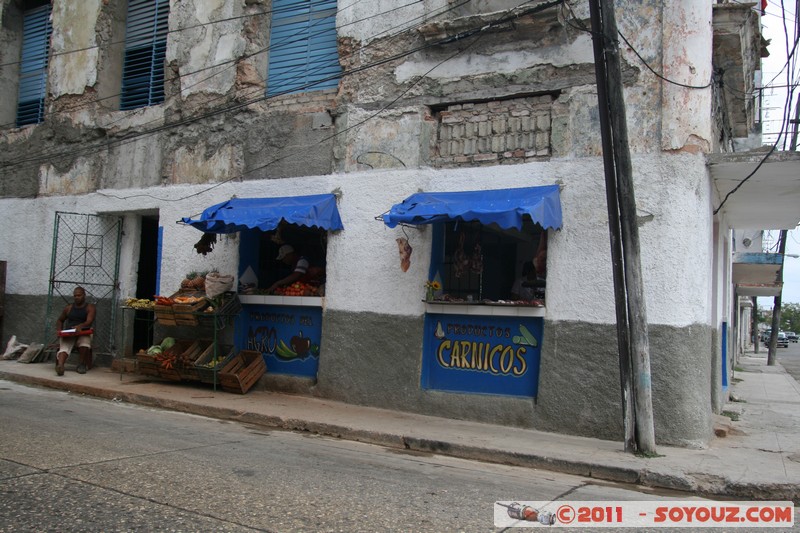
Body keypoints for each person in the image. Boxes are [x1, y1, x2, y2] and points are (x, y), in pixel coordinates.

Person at [55, 286, 96, 376]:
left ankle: (81, 364)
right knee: (64, 347)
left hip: (84, 332)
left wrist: (81, 326)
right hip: (70, 332)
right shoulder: (69, 308)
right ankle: (60, 366)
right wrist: (59, 331)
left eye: (79, 295)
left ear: (84, 295)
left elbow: (89, 321)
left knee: (84, 343)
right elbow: (60, 320)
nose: (77, 297)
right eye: (75, 296)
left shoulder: (90, 307)